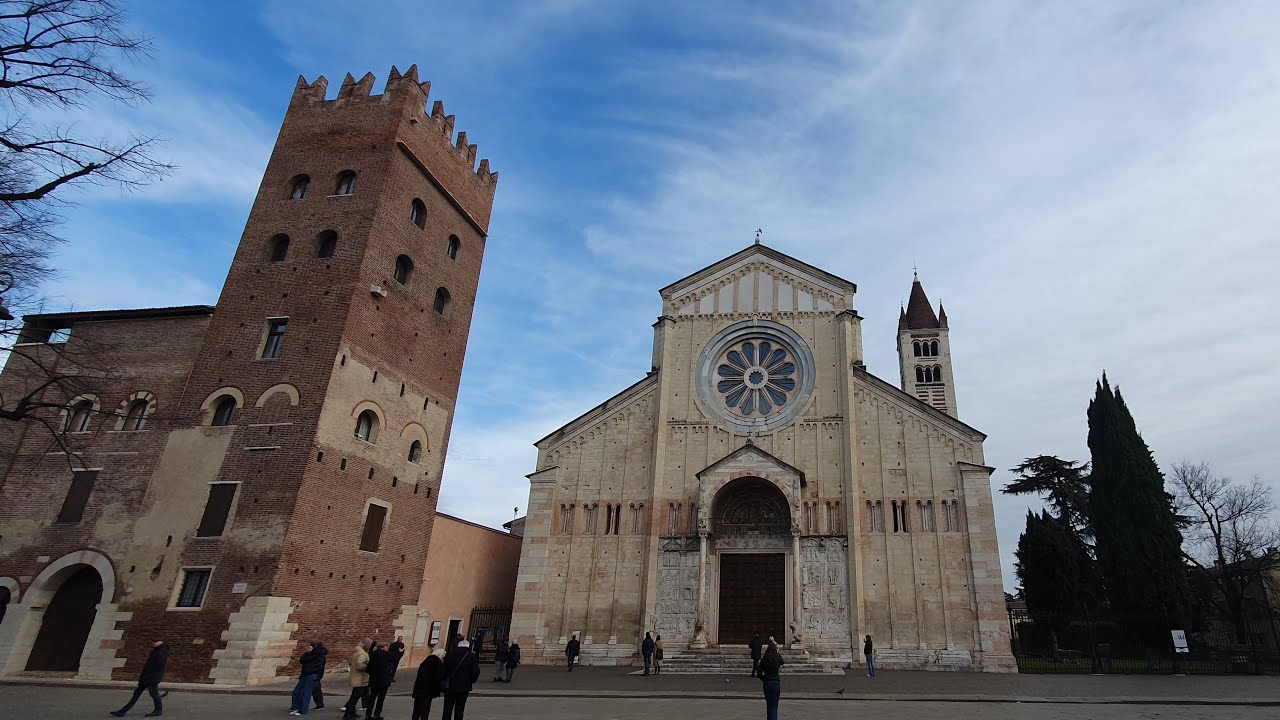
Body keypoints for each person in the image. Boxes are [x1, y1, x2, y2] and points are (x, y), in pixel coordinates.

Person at [110, 640, 169, 717]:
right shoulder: (155, 652)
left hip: (152, 679)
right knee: (137, 694)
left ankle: (158, 710)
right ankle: (123, 711)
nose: (154, 643)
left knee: (154, 694)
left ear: (161, 644)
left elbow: (156, 666)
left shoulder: (161, 653)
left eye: (156, 642)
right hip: (146, 678)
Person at [440, 639, 480, 720]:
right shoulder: (472, 656)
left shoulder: (449, 655)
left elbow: (443, 671)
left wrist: (443, 681)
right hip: (464, 687)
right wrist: (470, 681)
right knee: (460, 709)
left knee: (447, 709)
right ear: (468, 646)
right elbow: (475, 671)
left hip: (450, 686)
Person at [290, 640, 327, 716]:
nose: (308, 649)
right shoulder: (307, 654)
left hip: (312, 675)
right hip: (304, 675)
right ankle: (295, 706)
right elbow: (302, 660)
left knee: (306, 693)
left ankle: (303, 710)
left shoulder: (319, 656)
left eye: (310, 648)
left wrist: (318, 676)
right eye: (308, 647)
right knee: (296, 691)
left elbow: (320, 667)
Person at [341, 638, 372, 720]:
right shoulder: (362, 654)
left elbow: (350, 662)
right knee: (355, 697)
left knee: (355, 696)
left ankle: (351, 712)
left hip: (356, 677)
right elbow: (359, 665)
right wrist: (368, 666)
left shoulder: (356, 652)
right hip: (360, 678)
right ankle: (348, 714)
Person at [411, 648, 445, 720]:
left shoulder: (425, 661)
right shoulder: (437, 662)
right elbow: (439, 676)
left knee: (416, 709)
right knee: (425, 709)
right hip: (428, 690)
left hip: (419, 688)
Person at [365, 642, 396, 720]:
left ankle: (368, 715)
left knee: (372, 697)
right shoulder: (388, 655)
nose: (387, 648)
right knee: (380, 699)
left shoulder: (373, 655)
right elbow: (395, 659)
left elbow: (368, 669)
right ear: (384, 647)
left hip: (374, 680)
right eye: (387, 646)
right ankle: (377, 714)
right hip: (384, 680)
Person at [758, 638, 784, 720]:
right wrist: (777, 652)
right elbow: (782, 662)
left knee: (769, 705)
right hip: (775, 682)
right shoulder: (777, 658)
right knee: (774, 705)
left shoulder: (764, 659)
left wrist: (764, 679)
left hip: (767, 683)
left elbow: (759, 673)